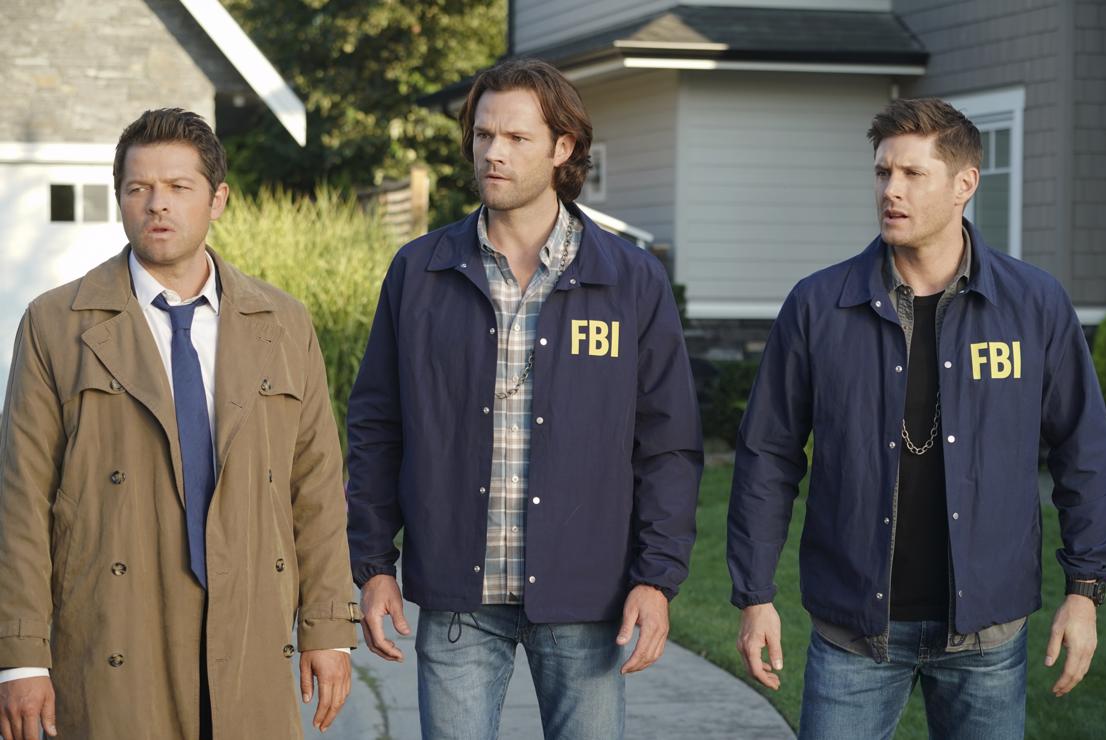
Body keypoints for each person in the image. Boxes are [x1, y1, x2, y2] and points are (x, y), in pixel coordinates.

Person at [727, 97, 1106, 739]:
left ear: (965, 183)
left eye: (912, 174)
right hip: (853, 633)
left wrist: (1085, 589)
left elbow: (1085, 451)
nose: (891, 191)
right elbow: (767, 454)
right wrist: (754, 594)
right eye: (883, 172)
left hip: (987, 634)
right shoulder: (819, 305)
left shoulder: (1033, 304)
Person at [346, 58, 702, 740]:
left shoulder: (630, 280)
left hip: (586, 597)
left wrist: (656, 579)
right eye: (483, 135)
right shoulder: (419, 272)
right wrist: (373, 566)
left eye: (515, 137)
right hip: (458, 596)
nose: (493, 153)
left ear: (562, 148)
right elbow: (376, 427)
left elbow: (668, 444)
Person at [0, 108, 359, 740]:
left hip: (248, 625)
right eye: (138, 188)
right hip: (115, 629)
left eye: (178, 187)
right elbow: (21, 500)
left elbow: (316, 487)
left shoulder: (282, 322)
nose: (157, 204)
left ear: (217, 199)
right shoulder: (56, 324)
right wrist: (21, 657)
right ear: (120, 199)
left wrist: (328, 627)